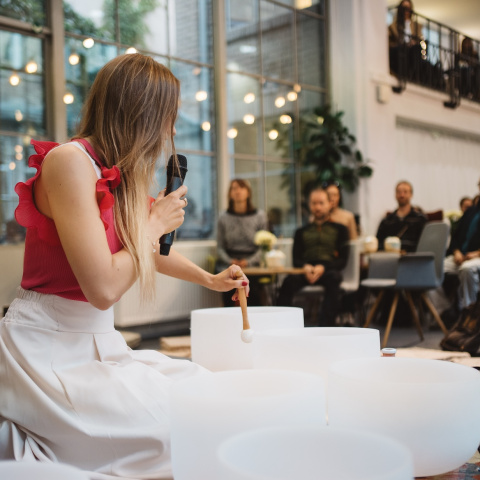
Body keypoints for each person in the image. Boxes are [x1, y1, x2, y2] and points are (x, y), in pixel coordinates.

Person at [0, 54, 249, 479]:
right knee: (173, 432)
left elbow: (147, 252)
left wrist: (211, 278)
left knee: (204, 392)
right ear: (142, 114)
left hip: (98, 342)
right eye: (168, 118)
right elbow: (103, 287)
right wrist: (153, 223)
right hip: (49, 350)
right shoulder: (69, 161)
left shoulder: (118, 177)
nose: (171, 131)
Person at [277, 187, 349, 326]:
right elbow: (296, 259)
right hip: (306, 270)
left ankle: (325, 328)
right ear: (309, 205)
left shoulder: (341, 230)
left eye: (321, 203)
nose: (317, 207)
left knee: (335, 279)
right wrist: (305, 267)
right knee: (288, 282)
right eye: (314, 203)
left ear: (330, 204)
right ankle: (281, 325)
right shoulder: (300, 231)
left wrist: (323, 267)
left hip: (328, 270)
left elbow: (343, 260)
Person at [216, 178, 268, 306]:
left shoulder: (260, 216)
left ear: (248, 192)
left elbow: (264, 247)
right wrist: (230, 261)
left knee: (254, 291)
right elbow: (220, 247)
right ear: (229, 194)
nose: (237, 191)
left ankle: (253, 320)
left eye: (241, 188)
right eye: (233, 188)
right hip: (229, 262)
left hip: (252, 262)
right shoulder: (223, 217)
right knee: (227, 285)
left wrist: (248, 261)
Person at [376, 180, 427, 253]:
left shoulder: (420, 219)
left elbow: (424, 244)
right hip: (390, 259)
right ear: (395, 195)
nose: (402, 195)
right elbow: (378, 243)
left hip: (413, 259)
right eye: (399, 192)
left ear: (411, 195)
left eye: (405, 192)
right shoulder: (387, 221)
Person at [388, 0, 423, 77]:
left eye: (408, 7)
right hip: (400, 48)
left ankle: (413, 75)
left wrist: (414, 42)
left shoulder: (417, 25)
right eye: (404, 7)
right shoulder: (393, 26)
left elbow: (419, 39)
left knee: (416, 49)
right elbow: (390, 42)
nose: (406, 10)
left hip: (412, 49)